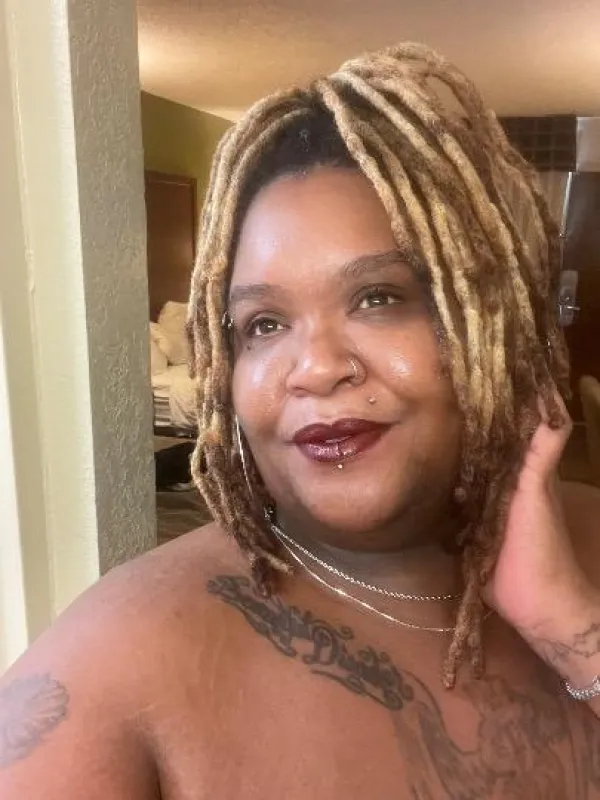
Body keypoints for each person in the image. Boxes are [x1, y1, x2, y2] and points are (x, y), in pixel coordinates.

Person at [1, 41, 600, 799]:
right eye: (263, 324)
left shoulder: (586, 534)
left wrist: (563, 617)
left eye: (378, 297)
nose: (314, 367)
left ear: (490, 323)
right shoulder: (111, 666)